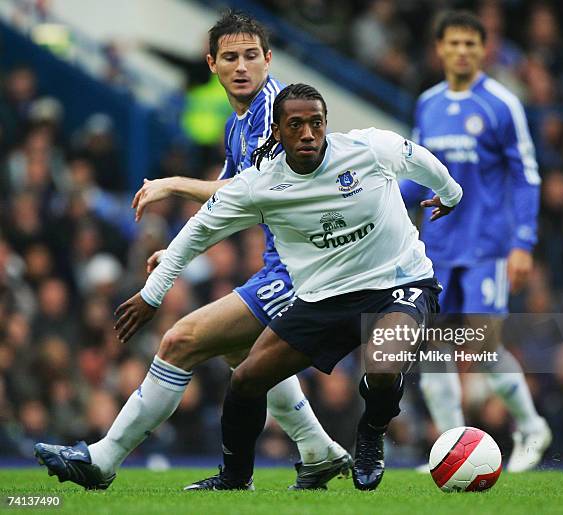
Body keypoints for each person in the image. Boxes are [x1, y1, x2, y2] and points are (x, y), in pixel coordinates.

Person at [34, 11, 349, 491]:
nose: (241, 66)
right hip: (282, 263)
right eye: (230, 57)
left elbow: (244, 195)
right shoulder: (237, 124)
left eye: (250, 56)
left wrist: (174, 186)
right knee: (241, 353)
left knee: (180, 341)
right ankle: (318, 450)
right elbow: (230, 193)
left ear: (267, 59)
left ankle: (102, 459)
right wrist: (179, 252)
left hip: (306, 266)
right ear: (211, 64)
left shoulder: (277, 113)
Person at [112, 83, 462, 491]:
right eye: (296, 125)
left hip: (399, 284)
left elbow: (420, 160)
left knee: (383, 364)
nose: (309, 134)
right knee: (245, 379)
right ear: (276, 131)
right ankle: (235, 479)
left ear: (327, 124)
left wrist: (450, 194)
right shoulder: (261, 185)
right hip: (323, 298)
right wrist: (152, 294)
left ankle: (371, 433)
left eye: (316, 123)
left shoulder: (368, 149)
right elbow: (200, 230)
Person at [401, 10, 551, 472]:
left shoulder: (501, 104)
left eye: (471, 43)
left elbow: (526, 175)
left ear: (483, 49)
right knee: (433, 347)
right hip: (438, 248)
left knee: (482, 347)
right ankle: (451, 447)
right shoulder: (428, 103)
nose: (462, 51)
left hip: (487, 246)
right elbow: (417, 177)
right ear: (440, 49)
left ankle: (531, 427)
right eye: (454, 43)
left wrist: (523, 243)